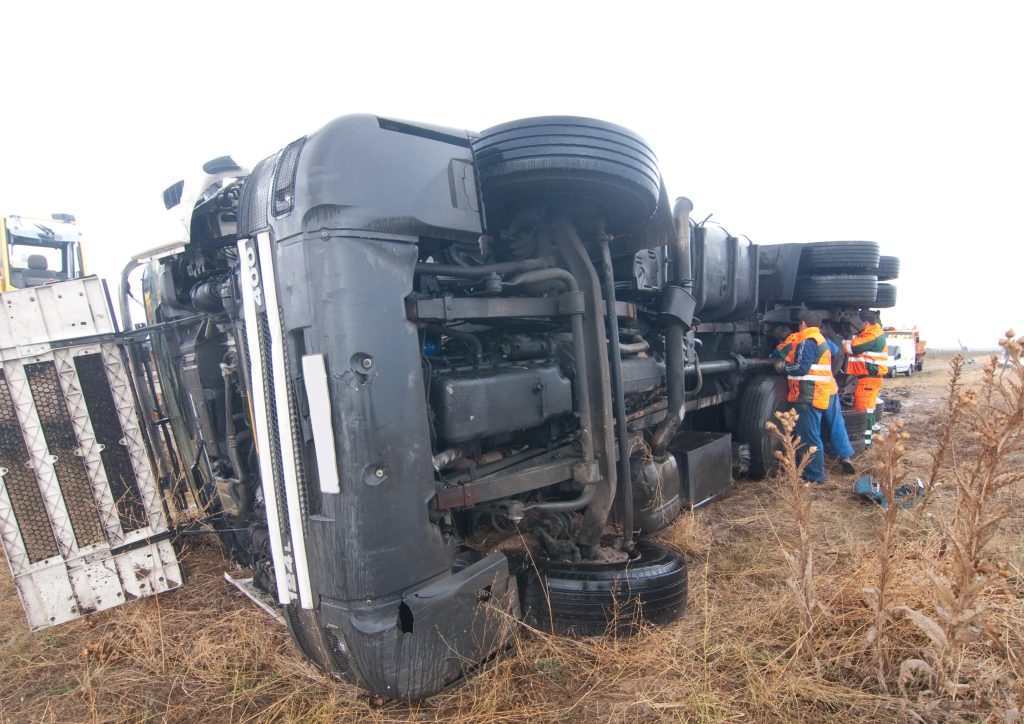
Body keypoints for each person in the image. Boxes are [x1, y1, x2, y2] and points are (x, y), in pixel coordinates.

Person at [780, 311, 836, 483]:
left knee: (810, 437)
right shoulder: (820, 340)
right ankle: (811, 473)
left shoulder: (808, 341)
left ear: (803, 324)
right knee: (812, 435)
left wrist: (783, 367)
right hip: (815, 395)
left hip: (808, 396)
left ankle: (815, 477)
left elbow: (800, 367)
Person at [844, 309, 889, 449]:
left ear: (865, 323)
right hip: (868, 379)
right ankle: (866, 444)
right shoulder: (875, 333)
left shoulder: (872, 335)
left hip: (868, 381)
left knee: (864, 413)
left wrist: (843, 341)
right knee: (867, 411)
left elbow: (852, 348)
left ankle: (865, 445)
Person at [820, 324, 857, 474]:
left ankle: (817, 462)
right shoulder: (825, 342)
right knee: (836, 423)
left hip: (815, 393)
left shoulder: (803, 341)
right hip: (830, 388)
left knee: (814, 427)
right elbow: (838, 353)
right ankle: (845, 458)